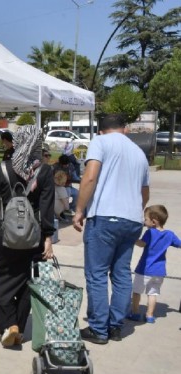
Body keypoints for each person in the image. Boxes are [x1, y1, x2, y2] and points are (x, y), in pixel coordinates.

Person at [73, 113, 150, 345]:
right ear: (124, 129)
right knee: (121, 273)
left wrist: (79, 210)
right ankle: (115, 326)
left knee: (96, 274)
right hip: (132, 219)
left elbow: (89, 177)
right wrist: (135, 210)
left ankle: (98, 328)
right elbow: (145, 191)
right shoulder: (139, 152)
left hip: (105, 216)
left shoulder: (100, 142)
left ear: (101, 130)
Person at [0, 125, 55, 348]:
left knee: (3, 281)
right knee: (28, 283)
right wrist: (48, 238)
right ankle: (19, 327)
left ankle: (8, 326)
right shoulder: (45, 171)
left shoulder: (3, 169)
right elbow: (47, 207)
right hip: (34, 238)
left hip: (6, 237)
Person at [127, 205, 180, 324]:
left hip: (144, 270)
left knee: (136, 292)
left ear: (154, 222)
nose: (144, 222)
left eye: (146, 219)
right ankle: (150, 315)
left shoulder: (150, 233)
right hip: (159, 272)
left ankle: (135, 313)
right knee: (153, 293)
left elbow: (142, 244)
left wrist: (133, 239)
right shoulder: (170, 234)